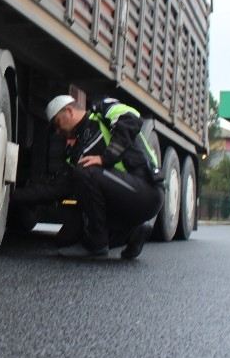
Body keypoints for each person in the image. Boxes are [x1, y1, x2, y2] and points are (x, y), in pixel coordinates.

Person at [12, 94, 164, 259]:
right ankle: (132, 232)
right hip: (122, 203)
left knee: (84, 171)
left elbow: (131, 120)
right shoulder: (76, 152)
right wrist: (13, 197)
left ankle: (97, 245)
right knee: (65, 239)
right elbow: (56, 189)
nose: (58, 131)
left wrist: (105, 158)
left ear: (69, 111)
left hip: (146, 190)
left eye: (57, 123)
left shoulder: (102, 111)